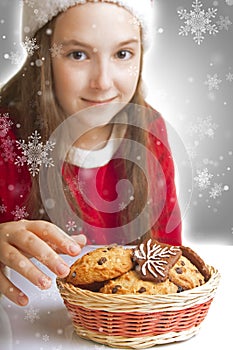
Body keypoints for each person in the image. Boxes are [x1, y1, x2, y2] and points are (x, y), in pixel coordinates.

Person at [0, 0, 182, 306]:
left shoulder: (150, 131)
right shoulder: (6, 136)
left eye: (123, 54)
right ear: (43, 58)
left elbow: (172, 261)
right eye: (78, 54)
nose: (102, 83)